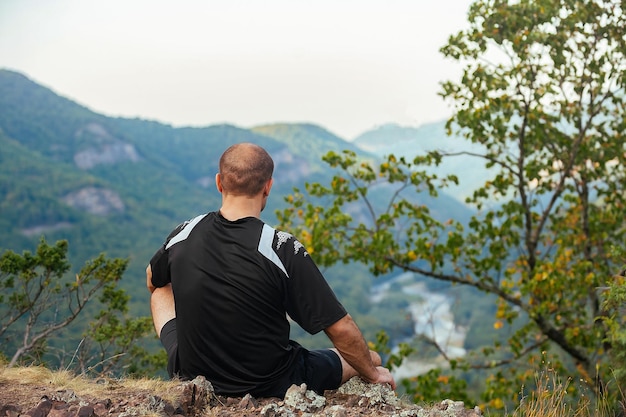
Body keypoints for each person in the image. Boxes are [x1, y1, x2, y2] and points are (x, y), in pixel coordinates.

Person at [147, 142, 396, 398]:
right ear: (268, 186)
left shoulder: (184, 232)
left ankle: (187, 356)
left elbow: (152, 280)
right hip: (272, 382)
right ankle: (375, 368)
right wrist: (373, 374)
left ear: (219, 182)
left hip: (190, 371)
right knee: (371, 358)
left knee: (160, 291)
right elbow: (341, 328)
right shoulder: (281, 248)